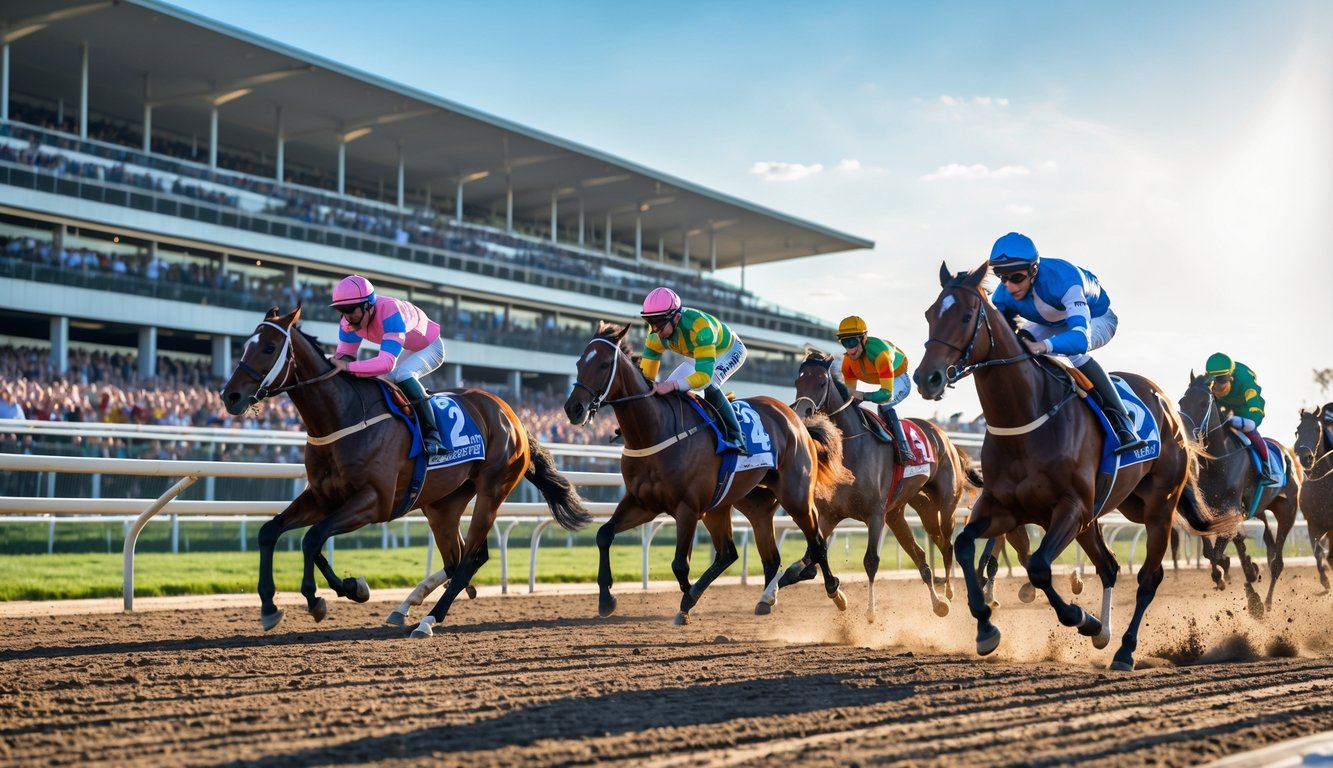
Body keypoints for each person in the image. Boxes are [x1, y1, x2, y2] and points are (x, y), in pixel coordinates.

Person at [988, 232, 1147, 455]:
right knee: (1019, 347)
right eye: (1002, 277)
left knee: (1073, 353)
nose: (1010, 286)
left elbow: (1079, 339)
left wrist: (1042, 346)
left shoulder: (1064, 279)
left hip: (1097, 318)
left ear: (1033, 270)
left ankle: (1123, 421)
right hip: (1051, 322)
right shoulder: (1002, 295)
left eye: (1016, 277)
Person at [328, 275, 447, 455]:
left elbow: (386, 363)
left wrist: (347, 367)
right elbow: (344, 358)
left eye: (351, 310)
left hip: (431, 347)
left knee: (402, 375)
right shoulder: (348, 322)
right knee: (383, 382)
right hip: (409, 347)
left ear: (367, 305)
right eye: (342, 311)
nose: (347, 317)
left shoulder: (391, 312)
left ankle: (433, 435)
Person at [638, 287, 748, 454]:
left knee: (709, 386)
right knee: (666, 393)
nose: (654, 330)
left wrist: (673, 385)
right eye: (650, 323)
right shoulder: (655, 332)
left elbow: (703, 377)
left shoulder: (700, 329)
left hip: (729, 350)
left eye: (659, 324)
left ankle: (737, 437)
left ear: (676, 318)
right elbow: (647, 379)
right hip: (699, 353)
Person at [836, 315, 916, 464]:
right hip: (880, 378)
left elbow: (886, 394)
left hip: (899, 378)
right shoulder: (847, 362)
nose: (850, 349)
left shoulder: (880, 355)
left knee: (883, 406)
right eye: (845, 342)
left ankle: (904, 449)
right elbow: (849, 395)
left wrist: (863, 395)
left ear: (863, 338)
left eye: (852, 341)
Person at [1204, 352, 1280, 485]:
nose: (1216, 385)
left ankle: (1269, 469)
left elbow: (1256, 411)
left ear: (1230, 378)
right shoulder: (1209, 384)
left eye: (1221, 380)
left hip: (1246, 409)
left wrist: (1246, 422)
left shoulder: (1245, 382)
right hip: (1223, 409)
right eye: (1213, 379)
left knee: (1251, 432)